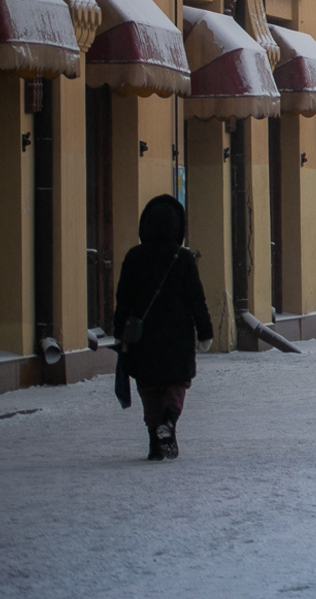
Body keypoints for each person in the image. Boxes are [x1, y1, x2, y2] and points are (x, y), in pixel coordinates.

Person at [112, 194, 213, 461]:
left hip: (142, 337)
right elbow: (196, 299)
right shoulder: (183, 259)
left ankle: (154, 443)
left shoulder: (134, 257)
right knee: (176, 385)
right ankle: (169, 422)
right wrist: (205, 331)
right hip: (177, 337)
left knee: (149, 388)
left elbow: (123, 299)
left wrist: (118, 331)